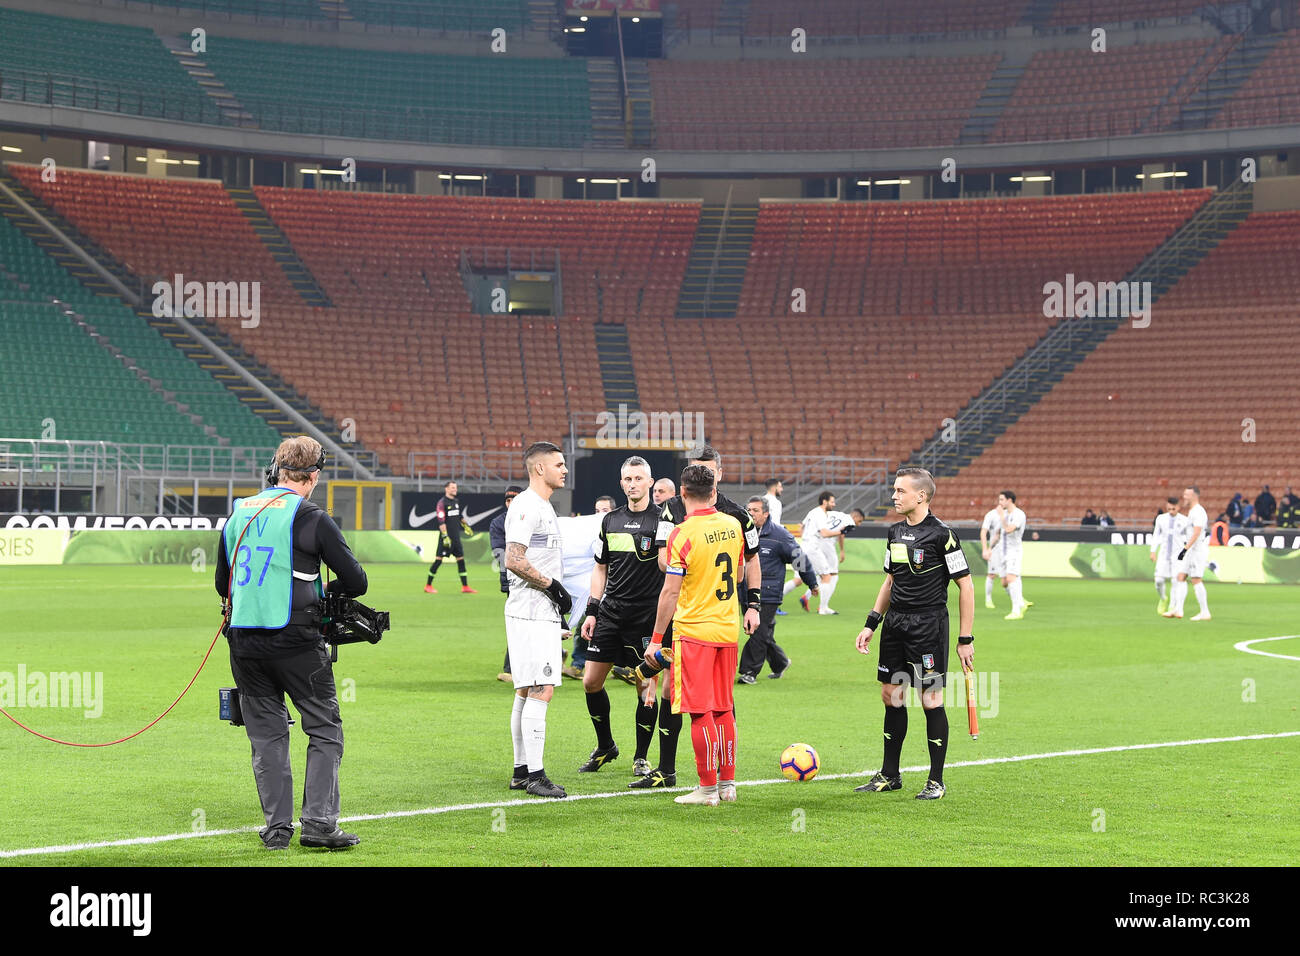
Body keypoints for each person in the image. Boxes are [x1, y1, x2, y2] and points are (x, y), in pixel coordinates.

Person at [217, 436, 366, 850]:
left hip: (244, 642)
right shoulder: (312, 517)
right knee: (324, 729)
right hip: (298, 640)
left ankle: (277, 830)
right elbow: (356, 582)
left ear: (276, 470)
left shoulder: (239, 514)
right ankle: (318, 825)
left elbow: (221, 583)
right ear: (314, 476)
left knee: (266, 735)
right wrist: (321, 594)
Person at [630, 444, 760, 791]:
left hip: (694, 630)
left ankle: (705, 790)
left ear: (682, 492)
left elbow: (670, 592)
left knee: (700, 710)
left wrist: (657, 640)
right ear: (713, 489)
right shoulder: (733, 526)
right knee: (724, 707)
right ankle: (727, 784)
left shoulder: (681, 533)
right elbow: (741, 574)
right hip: (727, 628)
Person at [854, 466, 974, 801]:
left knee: (930, 699)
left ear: (920, 496)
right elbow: (890, 581)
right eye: (894, 490)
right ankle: (890, 774)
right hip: (896, 625)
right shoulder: (893, 532)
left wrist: (965, 639)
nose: (894, 496)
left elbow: (966, 586)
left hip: (928, 627)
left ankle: (936, 780)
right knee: (890, 696)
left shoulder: (942, 535)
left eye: (900, 491)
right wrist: (871, 622)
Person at [577, 456, 661, 777]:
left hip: (646, 618)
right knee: (591, 682)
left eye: (638, 478)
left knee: (647, 689)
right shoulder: (609, 520)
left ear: (650, 482)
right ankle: (606, 746)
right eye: (627, 479)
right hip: (611, 613)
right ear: (621, 483)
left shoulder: (661, 522)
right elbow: (600, 568)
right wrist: (592, 611)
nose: (633, 484)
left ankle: (641, 757)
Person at [503, 441, 573, 798]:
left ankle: (520, 771)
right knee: (542, 689)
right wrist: (553, 587)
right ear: (539, 469)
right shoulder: (528, 507)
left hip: (534, 612)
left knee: (526, 688)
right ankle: (535, 776)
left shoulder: (541, 505)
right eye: (558, 464)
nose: (564, 469)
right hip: (531, 611)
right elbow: (514, 559)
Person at [737, 496, 818, 683]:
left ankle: (749, 672)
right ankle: (780, 663)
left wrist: (811, 582)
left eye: (755, 510)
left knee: (757, 632)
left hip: (768, 592)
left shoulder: (780, 535)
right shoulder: (742, 531)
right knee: (761, 631)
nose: (751, 514)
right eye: (748, 510)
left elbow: (800, 559)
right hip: (746, 591)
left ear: (766, 513)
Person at [557, 508, 605, 680]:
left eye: (605, 510)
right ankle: (577, 664)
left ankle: (623, 665)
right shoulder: (588, 536)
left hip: (604, 596)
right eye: (598, 510)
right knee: (585, 627)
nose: (601, 513)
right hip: (591, 596)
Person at [490, 486, 523, 683]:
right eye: (509, 500)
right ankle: (510, 669)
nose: (511, 503)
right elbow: (499, 553)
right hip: (513, 580)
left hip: (535, 578)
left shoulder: (531, 519)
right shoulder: (498, 523)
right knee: (518, 622)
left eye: (515, 500)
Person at [1165, 484, 1211, 621]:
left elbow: (1197, 532)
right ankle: (1178, 609)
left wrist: (1185, 549)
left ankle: (1205, 612)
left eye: (1186, 495)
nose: (1184, 497)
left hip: (1196, 550)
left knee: (1196, 579)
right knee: (1181, 576)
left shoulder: (1198, 511)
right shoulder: (1192, 511)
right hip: (1191, 550)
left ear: (1194, 496)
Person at [794, 492, 843, 614]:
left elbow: (801, 526)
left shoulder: (813, 511)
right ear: (825, 502)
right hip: (813, 548)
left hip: (804, 546)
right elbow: (824, 533)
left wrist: (806, 537)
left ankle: (807, 597)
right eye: (832, 501)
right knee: (827, 576)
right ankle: (823, 608)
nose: (834, 504)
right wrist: (841, 531)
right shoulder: (821, 514)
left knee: (800, 579)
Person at [425, 480, 476, 594]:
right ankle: (428, 585)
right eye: (452, 488)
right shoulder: (442, 503)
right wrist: (445, 536)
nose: (455, 489)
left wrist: (466, 525)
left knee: (461, 561)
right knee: (438, 561)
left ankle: (465, 587)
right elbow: (441, 521)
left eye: (456, 488)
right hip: (446, 538)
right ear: (446, 489)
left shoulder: (456, 501)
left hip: (456, 538)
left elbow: (459, 516)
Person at [1149, 496, 1188, 615]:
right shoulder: (1161, 519)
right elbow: (1156, 535)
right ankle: (1163, 598)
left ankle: (1172, 606)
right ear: (1167, 506)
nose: (1171, 511)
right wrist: (1153, 551)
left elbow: (1188, 538)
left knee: (1175, 581)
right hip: (1163, 555)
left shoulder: (1185, 520)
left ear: (1178, 507)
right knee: (1158, 580)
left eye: (1173, 509)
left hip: (1177, 556)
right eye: (1169, 508)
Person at [994, 491, 1030, 620]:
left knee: (1011, 578)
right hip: (1002, 551)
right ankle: (1021, 601)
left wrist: (1002, 517)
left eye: (1002, 500)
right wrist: (989, 548)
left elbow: (1009, 529)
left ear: (1009, 500)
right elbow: (999, 532)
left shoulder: (1018, 514)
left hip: (1013, 551)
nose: (1000, 503)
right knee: (1004, 582)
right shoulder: (1006, 514)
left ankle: (1017, 610)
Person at [980, 501, 1003, 610]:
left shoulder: (1010, 514)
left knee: (1011, 576)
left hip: (1008, 549)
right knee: (992, 574)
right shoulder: (991, 515)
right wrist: (986, 549)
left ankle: (1019, 600)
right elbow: (984, 532)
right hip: (995, 549)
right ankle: (988, 599)